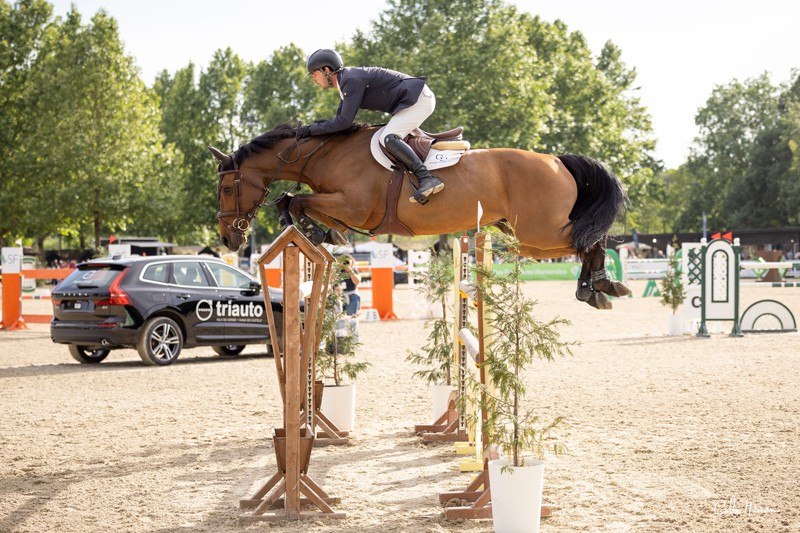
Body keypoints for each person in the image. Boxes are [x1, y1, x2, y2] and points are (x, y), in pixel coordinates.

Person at [298, 48, 444, 204]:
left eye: (314, 74)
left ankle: (427, 178)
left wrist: (310, 130)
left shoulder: (350, 80)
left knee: (388, 137)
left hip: (418, 100)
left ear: (326, 70)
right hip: (413, 100)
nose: (314, 79)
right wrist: (315, 127)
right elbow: (340, 121)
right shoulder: (346, 82)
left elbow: (343, 123)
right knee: (387, 136)